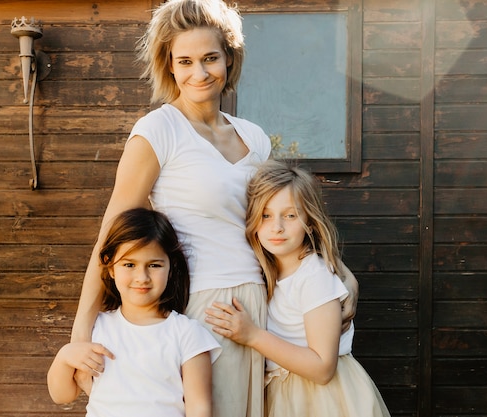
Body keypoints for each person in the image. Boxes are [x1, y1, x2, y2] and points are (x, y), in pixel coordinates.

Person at [70, 1, 359, 416]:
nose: (199, 73)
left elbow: (282, 222)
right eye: (184, 61)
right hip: (204, 306)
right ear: (168, 65)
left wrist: (338, 272)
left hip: (264, 304)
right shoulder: (158, 130)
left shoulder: (255, 138)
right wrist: (82, 331)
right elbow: (112, 236)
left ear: (229, 58)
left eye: (210, 58)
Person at [205, 160, 390, 417]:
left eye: (290, 215)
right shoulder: (270, 272)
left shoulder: (314, 275)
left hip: (324, 401)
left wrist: (253, 336)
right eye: (266, 215)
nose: (277, 226)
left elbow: (323, 368)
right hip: (288, 397)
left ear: (310, 221)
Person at [48, 208, 221, 417]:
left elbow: (199, 408)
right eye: (129, 264)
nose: (142, 277)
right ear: (110, 267)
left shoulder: (187, 333)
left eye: (154, 265)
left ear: (171, 267)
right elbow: (61, 395)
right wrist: (65, 356)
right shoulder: (97, 328)